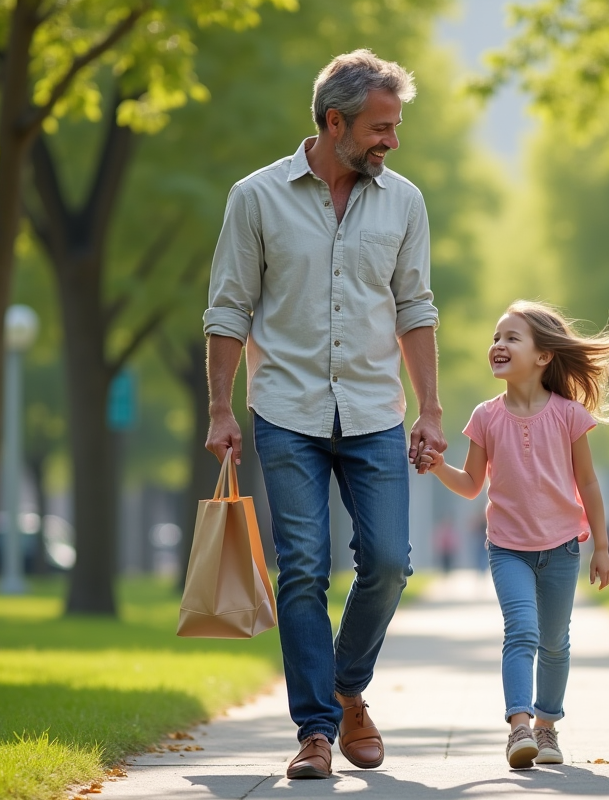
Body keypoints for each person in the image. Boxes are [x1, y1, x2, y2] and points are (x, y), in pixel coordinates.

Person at [203, 49, 447, 780]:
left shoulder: (404, 201)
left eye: (395, 126)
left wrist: (432, 409)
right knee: (303, 568)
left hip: (374, 409)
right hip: (285, 408)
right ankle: (314, 732)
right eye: (380, 127)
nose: (391, 141)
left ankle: (348, 690)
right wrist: (220, 405)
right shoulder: (255, 198)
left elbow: (416, 308)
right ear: (333, 121)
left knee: (388, 565)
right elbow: (228, 307)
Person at [417, 300, 609, 769]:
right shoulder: (485, 416)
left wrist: (601, 547)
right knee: (521, 630)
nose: (498, 345)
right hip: (507, 550)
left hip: (562, 547)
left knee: (555, 642)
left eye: (511, 338)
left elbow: (589, 484)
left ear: (543, 356)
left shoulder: (568, 414)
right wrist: (440, 467)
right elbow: (472, 485)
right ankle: (518, 727)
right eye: (496, 337)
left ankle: (547, 729)